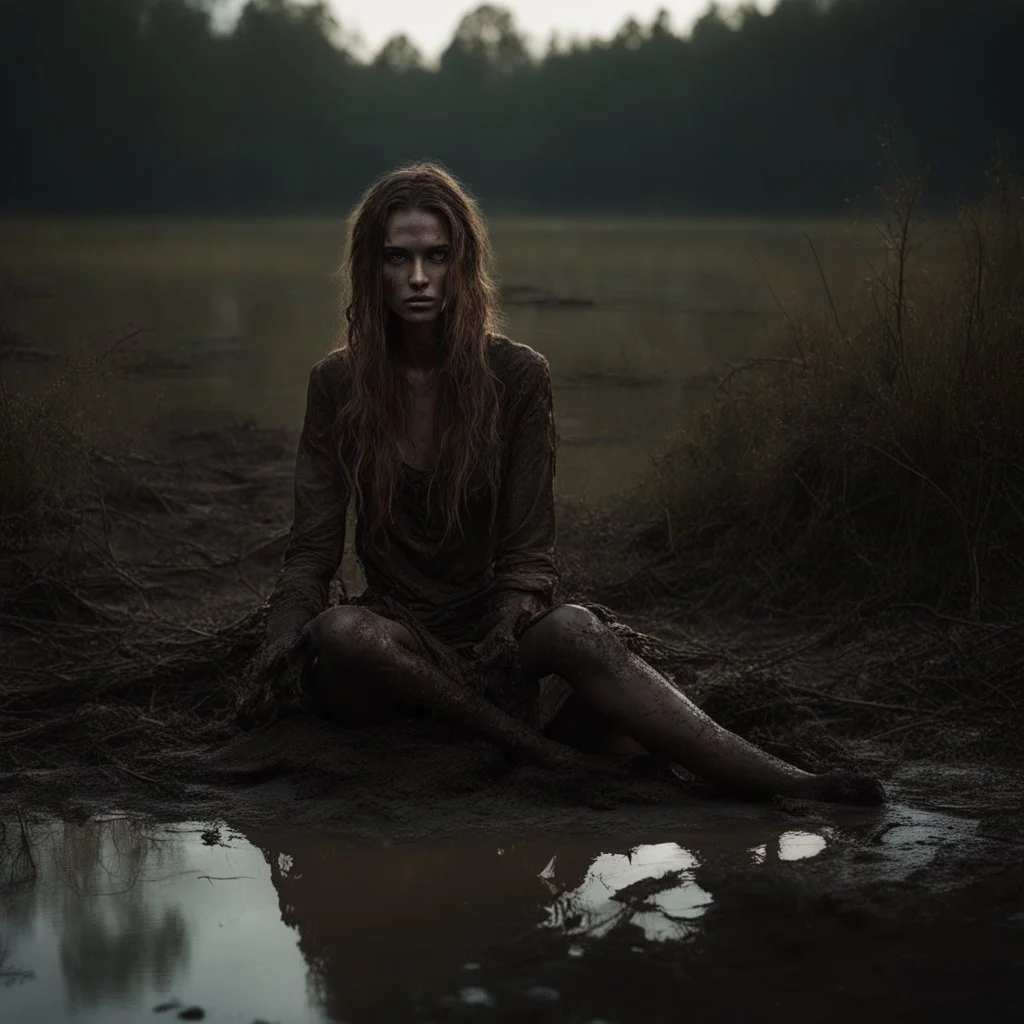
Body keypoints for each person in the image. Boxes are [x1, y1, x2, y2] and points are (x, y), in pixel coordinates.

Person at [247, 163, 884, 805]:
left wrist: (498, 643)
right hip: (393, 647)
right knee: (341, 632)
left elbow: (527, 559)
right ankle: (538, 750)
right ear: (370, 268)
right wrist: (273, 658)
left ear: (460, 264)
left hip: (492, 640)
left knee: (576, 627)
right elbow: (311, 556)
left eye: (435, 256)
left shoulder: (519, 376)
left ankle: (792, 781)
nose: (417, 278)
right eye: (397, 258)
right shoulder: (337, 384)